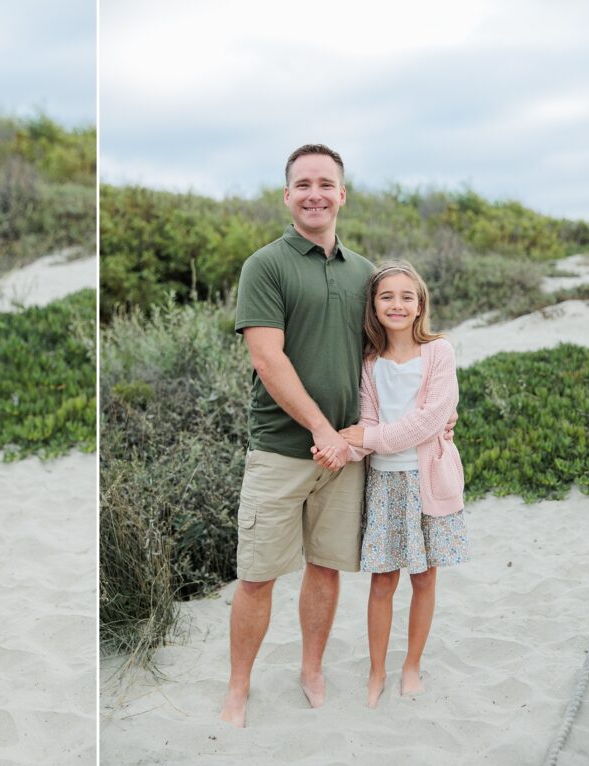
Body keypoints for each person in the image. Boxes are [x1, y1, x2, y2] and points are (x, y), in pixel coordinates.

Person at [220, 144, 377, 727]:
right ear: (287, 195)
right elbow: (267, 358)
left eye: (326, 183)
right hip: (281, 452)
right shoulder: (266, 265)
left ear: (342, 194)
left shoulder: (366, 272)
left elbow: (384, 357)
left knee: (327, 568)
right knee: (257, 577)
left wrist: (435, 407)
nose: (315, 193)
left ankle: (312, 668)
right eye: (303, 183)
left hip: (346, 456)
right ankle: (238, 687)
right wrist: (321, 430)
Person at [314, 261, 469, 708]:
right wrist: (343, 446)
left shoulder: (439, 352)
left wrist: (369, 438)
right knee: (382, 582)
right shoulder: (369, 362)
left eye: (407, 296)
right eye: (387, 297)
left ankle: (412, 666)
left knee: (424, 577)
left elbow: (429, 420)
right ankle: (377, 670)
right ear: (374, 306)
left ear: (420, 304)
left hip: (428, 481)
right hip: (385, 486)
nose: (397, 304)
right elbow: (368, 424)